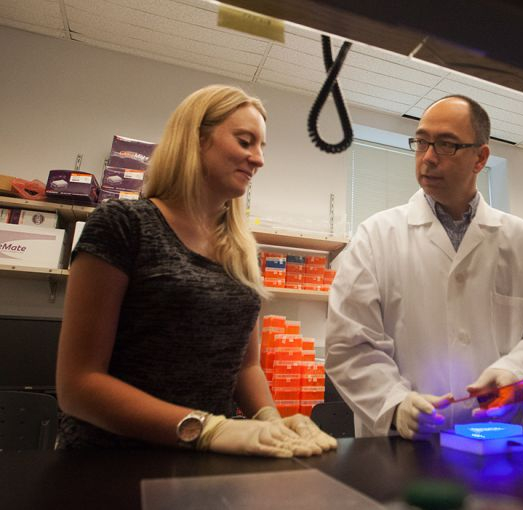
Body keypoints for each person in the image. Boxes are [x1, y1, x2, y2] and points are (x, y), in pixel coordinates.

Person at [56, 84, 336, 456]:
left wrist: (270, 419)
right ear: (197, 139)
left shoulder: (240, 248)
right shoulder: (123, 224)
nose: (258, 159)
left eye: (261, 147)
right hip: (110, 461)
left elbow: (245, 365)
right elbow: (79, 385)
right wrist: (207, 428)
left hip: (203, 464)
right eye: (245, 141)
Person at [325, 95, 523, 439]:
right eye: (421, 142)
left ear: (481, 157)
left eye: (446, 145)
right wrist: (396, 403)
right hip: (404, 448)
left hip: (502, 442)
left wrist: (516, 370)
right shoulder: (375, 236)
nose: (428, 157)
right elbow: (349, 344)